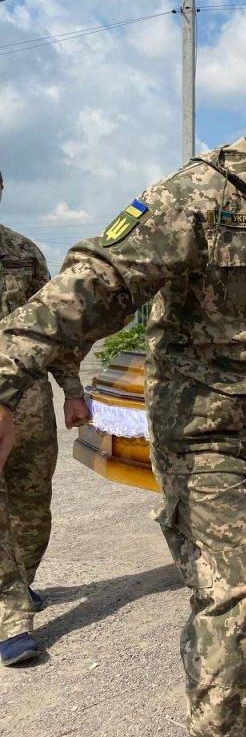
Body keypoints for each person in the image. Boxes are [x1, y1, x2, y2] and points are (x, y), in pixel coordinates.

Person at [0, 52, 246, 737]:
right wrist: (8, 375)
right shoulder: (199, 195)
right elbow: (98, 280)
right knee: (238, 588)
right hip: (207, 430)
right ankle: (220, 735)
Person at [0, 171, 90, 667]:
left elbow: (53, 329)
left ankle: (21, 582)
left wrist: (73, 391)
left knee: (32, 506)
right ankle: (11, 618)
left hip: (30, 403)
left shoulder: (23, 253)